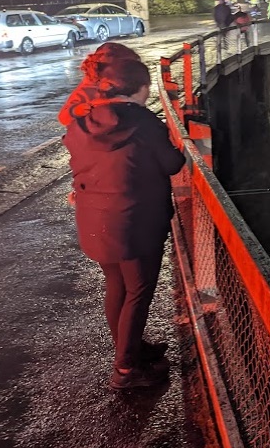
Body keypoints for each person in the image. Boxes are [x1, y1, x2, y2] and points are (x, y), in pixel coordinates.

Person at [63, 59, 185, 390]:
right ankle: (126, 368)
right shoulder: (143, 122)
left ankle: (130, 348)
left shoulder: (83, 120)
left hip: (94, 220)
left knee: (116, 284)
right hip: (134, 222)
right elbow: (173, 164)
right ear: (138, 89)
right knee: (139, 291)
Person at [58, 42, 141, 126]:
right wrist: (76, 110)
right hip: (91, 134)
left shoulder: (117, 85)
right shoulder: (86, 90)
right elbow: (63, 118)